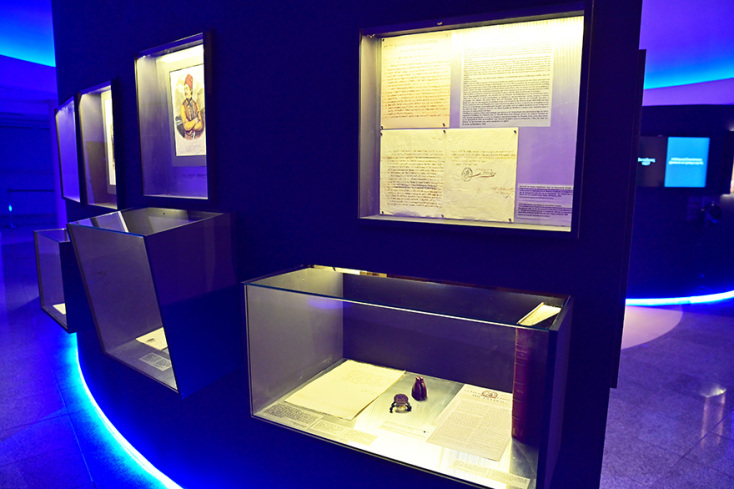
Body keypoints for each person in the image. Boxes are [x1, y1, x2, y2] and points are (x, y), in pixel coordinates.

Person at [180, 73, 204, 139]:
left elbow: (201, 125)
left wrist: (190, 125)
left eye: (187, 89)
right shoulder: (182, 106)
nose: (185, 91)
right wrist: (195, 121)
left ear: (191, 90)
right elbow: (186, 127)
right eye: (184, 89)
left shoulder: (196, 105)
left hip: (197, 137)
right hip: (187, 138)